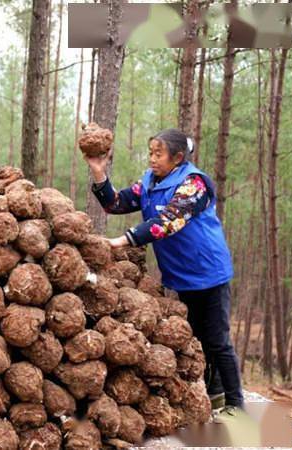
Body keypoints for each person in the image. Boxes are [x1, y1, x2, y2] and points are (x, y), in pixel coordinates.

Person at [84, 128, 244, 413]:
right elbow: (115, 203)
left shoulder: (194, 184)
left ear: (178, 157)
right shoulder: (148, 182)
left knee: (217, 340)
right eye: (151, 153)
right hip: (182, 276)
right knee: (196, 337)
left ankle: (236, 404)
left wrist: (122, 240)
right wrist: (99, 172)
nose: (153, 159)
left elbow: (169, 220)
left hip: (209, 271)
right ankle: (215, 394)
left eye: (159, 154)